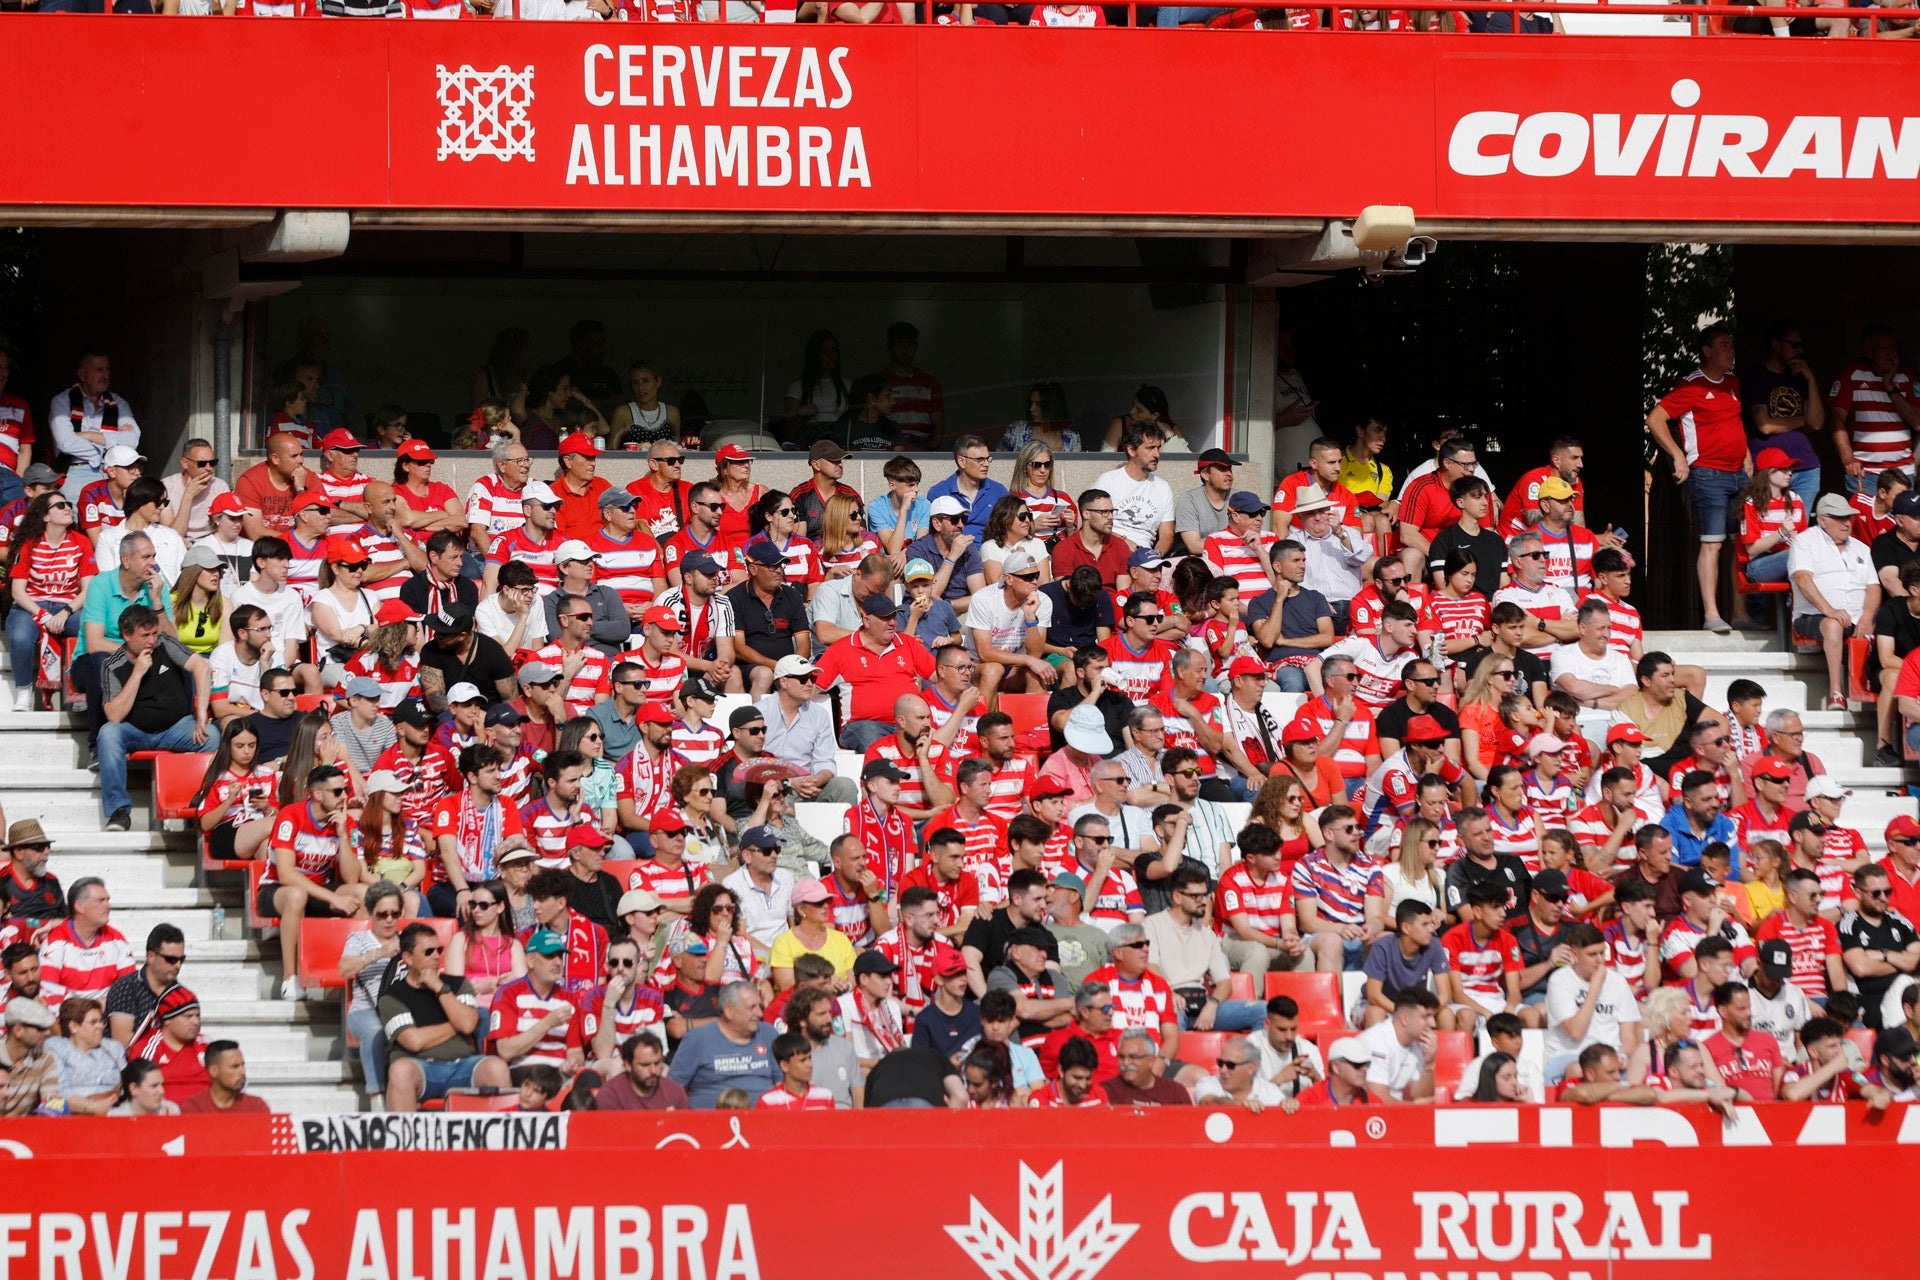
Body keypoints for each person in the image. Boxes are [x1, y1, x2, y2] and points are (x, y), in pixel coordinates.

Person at [1646, 323, 1747, 633]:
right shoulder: (1690, 385)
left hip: (1738, 475)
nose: (1731, 351)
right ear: (1707, 350)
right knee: (1713, 543)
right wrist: (1677, 455)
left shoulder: (1731, 382)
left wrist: (1747, 459)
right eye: (1725, 345)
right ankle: (1711, 614)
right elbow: (1655, 418)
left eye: (1732, 345)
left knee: (1741, 543)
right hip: (1709, 473)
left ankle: (1741, 614)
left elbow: (1734, 423)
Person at [1791, 492, 1881, 710]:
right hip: (1814, 616)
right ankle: (1836, 692)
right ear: (1823, 520)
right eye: (1840, 518)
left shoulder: (1861, 547)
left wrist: (1868, 617)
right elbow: (1803, 578)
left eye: (1848, 518)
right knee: (1833, 625)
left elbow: (1873, 586)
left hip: (1859, 618)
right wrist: (1829, 610)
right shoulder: (1804, 541)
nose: (1847, 523)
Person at [668, 981, 780, 1108]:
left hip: (762, 1121)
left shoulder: (768, 1034)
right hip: (710, 1123)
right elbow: (673, 1090)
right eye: (752, 1007)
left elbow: (782, 1084)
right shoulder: (697, 1039)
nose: (760, 1013)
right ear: (729, 1011)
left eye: (760, 1006)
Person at [1094, 422, 1175, 556]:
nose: (1157, 454)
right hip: (1110, 551)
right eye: (1150, 448)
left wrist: (1153, 557)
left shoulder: (1163, 488)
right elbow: (1094, 524)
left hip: (1145, 556)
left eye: (1158, 448)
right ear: (1131, 450)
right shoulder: (1109, 481)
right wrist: (1123, 542)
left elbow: (1167, 534)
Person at [1100, 1027, 1191, 1107]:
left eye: (1133, 1057)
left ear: (1151, 1061)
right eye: (1122, 1057)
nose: (1126, 1063)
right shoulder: (1108, 1090)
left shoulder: (1176, 1092)